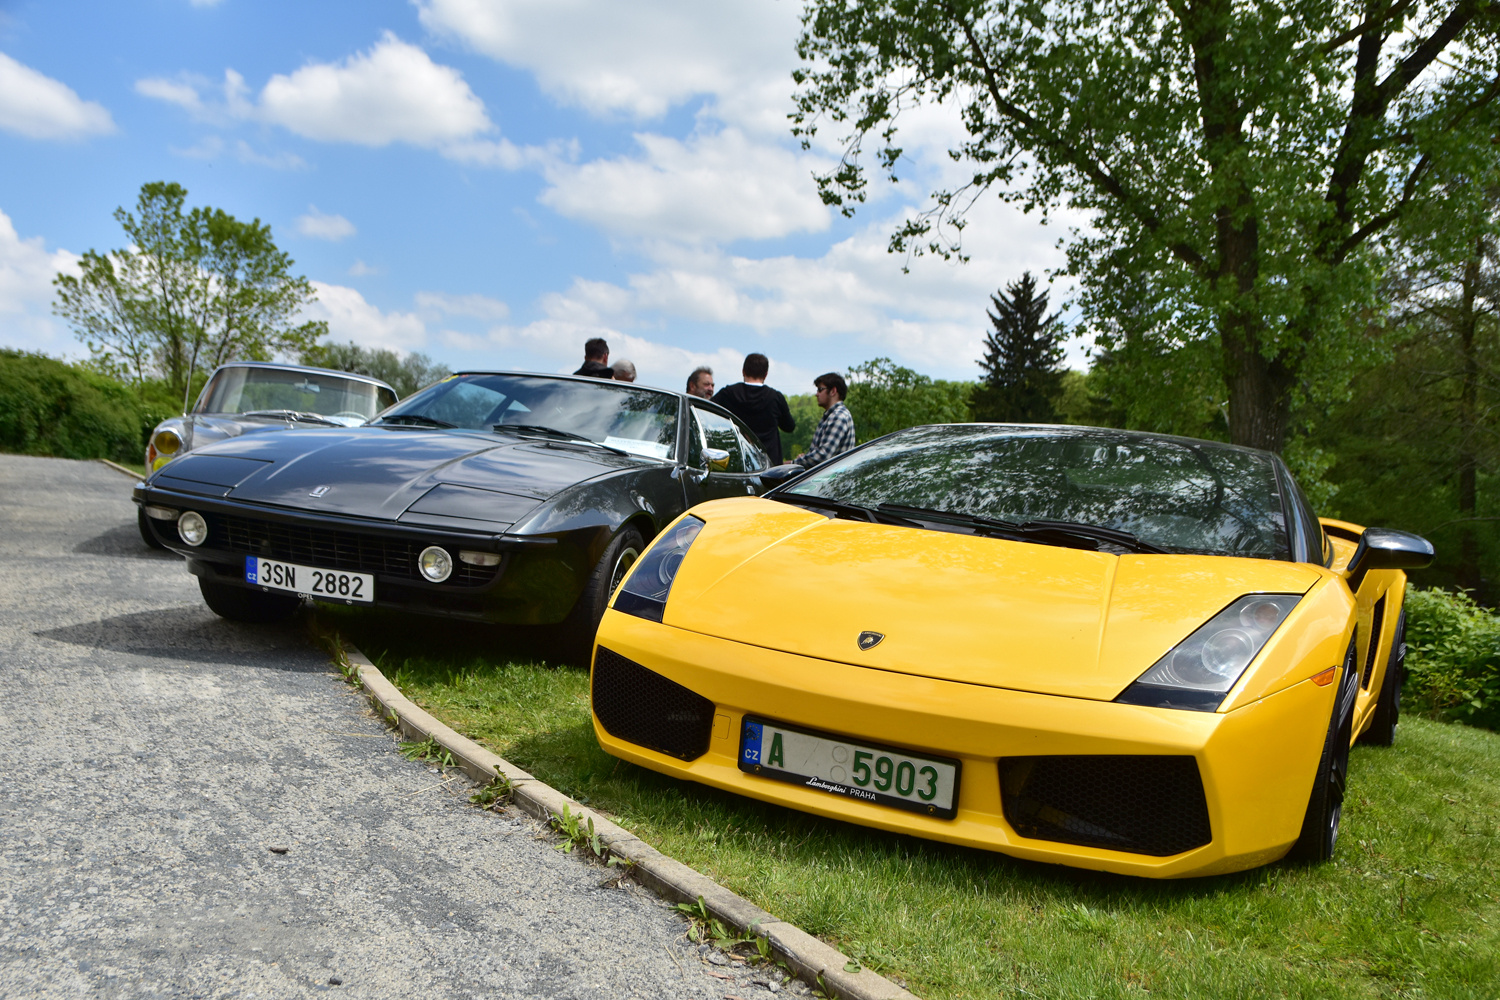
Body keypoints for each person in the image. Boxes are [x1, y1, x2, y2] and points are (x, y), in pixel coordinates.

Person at [712, 353, 795, 465]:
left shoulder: (728, 394)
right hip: (769, 466)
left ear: (743, 371)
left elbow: (708, 413)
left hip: (738, 463)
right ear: (765, 374)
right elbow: (789, 426)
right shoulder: (775, 397)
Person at [793, 372, 855, 467]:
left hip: (833, 480)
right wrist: (806, 457)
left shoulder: (838, 416)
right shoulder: (831, 416)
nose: (816, 394)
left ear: (833, 391)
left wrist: (793, 463)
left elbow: (823, 456)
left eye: (820, 390)